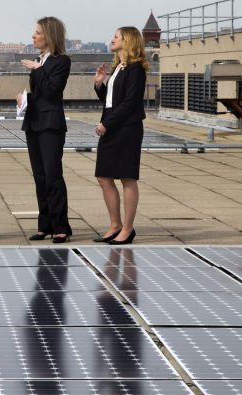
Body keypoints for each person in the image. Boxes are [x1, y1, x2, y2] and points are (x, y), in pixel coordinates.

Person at [18, 17, 72, 244]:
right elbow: (40, 95)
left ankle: (61, 226)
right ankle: (45, 225)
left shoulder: (61, 61)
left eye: (38, 32)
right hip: (34, 123)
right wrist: (24, 99)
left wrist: (37, 69)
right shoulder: (39, 60)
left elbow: (52, 91)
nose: (33, 36)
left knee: (53, 176)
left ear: (49, 35)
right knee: (40, 177)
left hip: (51, 125)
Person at [93, 26, 148, 245]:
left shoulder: (136, 69)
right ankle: (114, 225)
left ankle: (127, 229)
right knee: (103, 176)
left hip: (127, 129)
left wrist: (107, 123)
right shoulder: (119, 68)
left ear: (128, 41)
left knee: (127, 177)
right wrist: (99, 83)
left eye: (116, 36)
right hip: (113, 126)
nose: (112, 39)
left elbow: (130, 103)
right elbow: (110, 101)